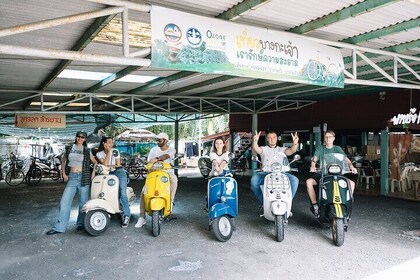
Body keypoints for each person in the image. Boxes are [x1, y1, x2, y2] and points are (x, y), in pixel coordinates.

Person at [46, 131, 97, 235]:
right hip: (72, 177)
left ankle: (80, 224)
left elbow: (95, 162)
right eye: (78, 136)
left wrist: (93, 174)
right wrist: (63, 173)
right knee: (64, 202)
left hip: (84, 177)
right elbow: (63, 160)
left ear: (85, 139)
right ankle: (60, 227)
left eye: (82, 137)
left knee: (83, 203)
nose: (80, 138)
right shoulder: (69, 148)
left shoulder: (87, 150)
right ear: (76, 137)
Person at [306, 130, 358, 217]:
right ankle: (315, 205)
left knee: (351, 184)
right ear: (324, 139)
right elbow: (314, 158)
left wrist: (351, 166)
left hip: (337, 173)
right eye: (326, 137)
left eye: (330, 137)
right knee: (309, 182)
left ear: (333, 138)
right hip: (323, 173)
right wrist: (313, 165)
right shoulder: (320, 148)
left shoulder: (337, 148)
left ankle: (346, 203)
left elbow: (345, 159)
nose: (328, 138)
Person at [135, 132, 177, 228]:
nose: (158, 141)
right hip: (154, 172)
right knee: (143, 192)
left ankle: (170, 200)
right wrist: (148, 163)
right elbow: (149, 161)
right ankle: (142, 217)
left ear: (166, 141)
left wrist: (157, 159)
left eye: (160, 140)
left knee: (174, 179)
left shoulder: (171, 150)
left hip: (167, 172)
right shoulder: (153, 149)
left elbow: (166, 156)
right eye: (157, 140)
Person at [250, 130, 300, 209]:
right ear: (267, 139)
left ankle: (288, 201)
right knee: (254, 181)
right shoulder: (263, 149)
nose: (272, 139)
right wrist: (255, 141)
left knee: (295, 180)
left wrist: (295, 143)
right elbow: (256, 148)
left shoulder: (282, 149)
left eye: (274, 137)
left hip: (281, 173)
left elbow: (292, 150)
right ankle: (263, 203)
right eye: (269, 138)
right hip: (266, 173)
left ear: (277, 138)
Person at [95, 136, 131, 228]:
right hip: (107, 173)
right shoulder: (99, 154)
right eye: (109, 142)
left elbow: (118, 165)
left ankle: (126, 215)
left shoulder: (116, 151)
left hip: (119, 172)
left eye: (112, 142)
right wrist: (109, 152)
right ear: (104, 143)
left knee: (122, 192)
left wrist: (109, 163)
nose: (111, 144)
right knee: (105, 192)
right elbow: (105, 164)